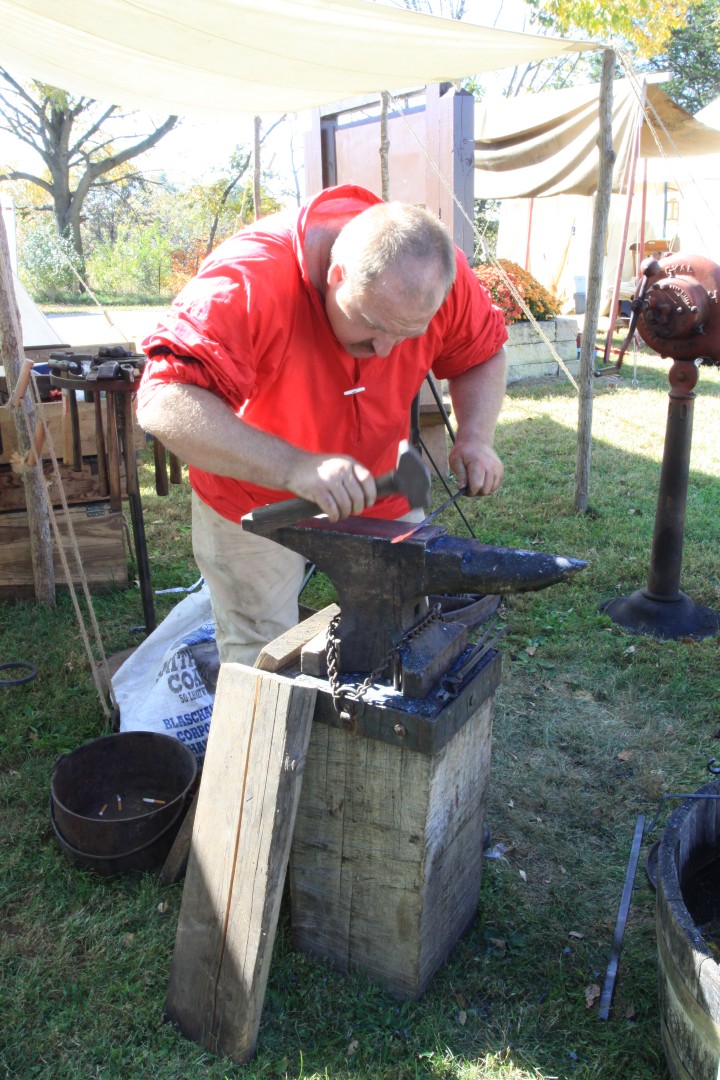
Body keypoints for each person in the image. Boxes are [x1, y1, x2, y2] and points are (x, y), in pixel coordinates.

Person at [137, 183, 508, 666]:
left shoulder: (432, 273)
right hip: (256, 500)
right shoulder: (248, 280)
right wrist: (295, 467)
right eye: (372, 324)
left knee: (400, 632)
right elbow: (164, 402)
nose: (385, 351)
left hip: (381, 487)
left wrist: (478, 436)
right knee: (262, 657)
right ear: (336, 274)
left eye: (406, 335)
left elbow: (480, 352)